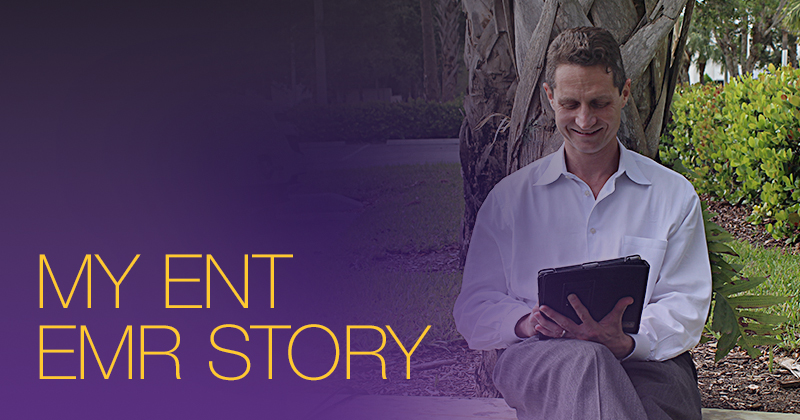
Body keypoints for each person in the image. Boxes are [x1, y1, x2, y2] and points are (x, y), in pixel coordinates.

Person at [453, 27, 711, 420]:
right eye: (571, 103)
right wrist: (527, 322)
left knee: (648, 399)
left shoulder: (672, 195)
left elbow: (686, 305)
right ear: (549, 97)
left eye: (599, 102)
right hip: (539, 357)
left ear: (625, 93)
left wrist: (622, 341)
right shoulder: (509, 200)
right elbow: (474, 305)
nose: (584, 119)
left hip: (645, 359)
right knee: (588, 363)